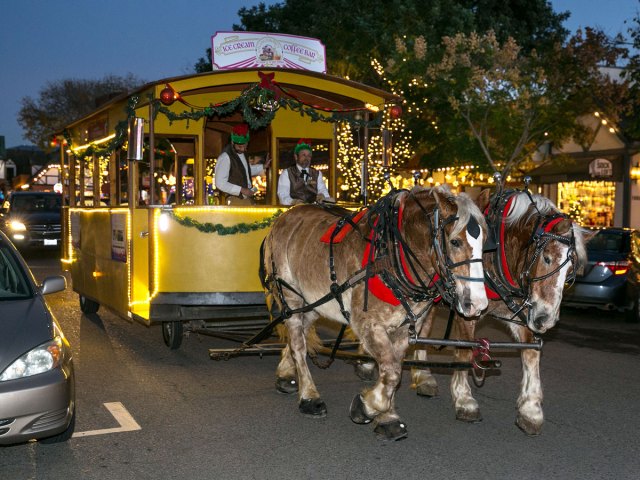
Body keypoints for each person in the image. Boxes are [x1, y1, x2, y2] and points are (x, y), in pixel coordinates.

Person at [214, 123, 270, 205]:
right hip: (234, 200)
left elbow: (245, 171)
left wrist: (263, 166)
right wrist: (241, 190)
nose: (243, 149)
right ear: (232, 142)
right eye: (240, 147)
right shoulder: (225, 157)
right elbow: (220, 183)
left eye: (245, 146)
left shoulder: (242, 153)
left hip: (245, 198)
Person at [277, 139, 333, 205]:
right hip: (294, 211)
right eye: (303, 155)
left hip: (314, 210)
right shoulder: (287, 173)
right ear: (296, 157)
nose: (306, 158)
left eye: (309, 156)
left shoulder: (317, 173)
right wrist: (293, 201)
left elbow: (323, 190)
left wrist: (322, 195)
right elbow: (283, 195)